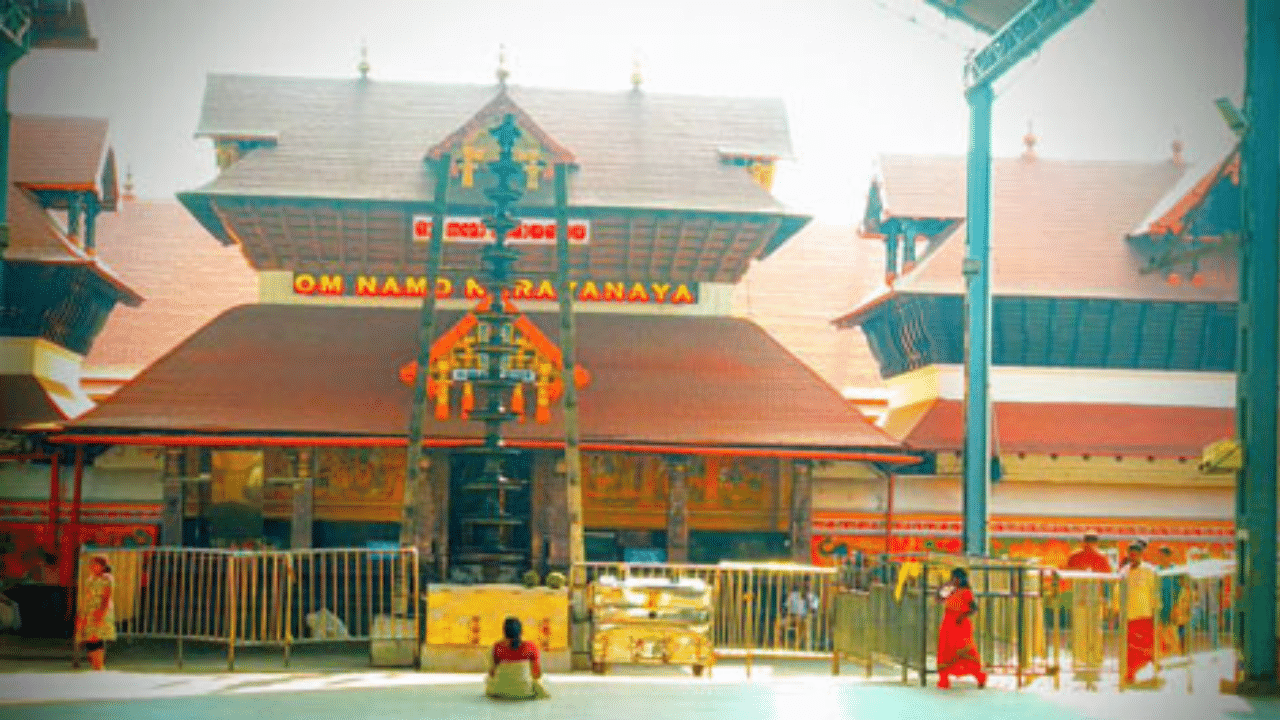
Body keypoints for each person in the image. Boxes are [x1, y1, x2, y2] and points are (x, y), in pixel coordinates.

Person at [1064, 532, 1112, 675]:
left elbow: (1106, 580)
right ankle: (1089, 658)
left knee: (1087, 629)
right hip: (1087, 597)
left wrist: (1104, 599)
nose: (1090, 545)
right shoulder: (1097, 557)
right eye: (1090, 542)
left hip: (1087, 597)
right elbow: (1107, 580)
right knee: (1090, 629)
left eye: (1091, 542)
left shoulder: (1080, 557)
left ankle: (1085, 657)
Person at [936, 567, 987, 689]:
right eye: (952, 578)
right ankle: (944, 679)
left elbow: (974, 609)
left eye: (954, 578)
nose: (953, 580)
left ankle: (979, 676)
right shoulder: (951, 590)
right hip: (948, 625)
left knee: (965, 651)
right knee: (945, 651)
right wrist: (944, 586)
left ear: (960, 579)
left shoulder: (966, 592)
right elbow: (938, 598)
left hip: (960, 625)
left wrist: (962, 616)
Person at [1120, 541, 1158, 685]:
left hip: (1145, 614)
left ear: (1141, 555)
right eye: (1130, 553)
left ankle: (1152, 667)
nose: (1133, 556)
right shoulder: (1124, 571)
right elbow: (1119, 592)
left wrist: (1156, 611)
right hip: (1129, 616)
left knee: (1146, 646)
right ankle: (1130, 674)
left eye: (1136, 554)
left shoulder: (1149, 571)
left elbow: (1154, 591)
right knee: (1131, 648)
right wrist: (1117, 609)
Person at [486, 616, 549, 700]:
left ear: (504, 631)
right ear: (521, 631)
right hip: (525, 691)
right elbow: (537, 674)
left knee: (487, 680)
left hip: (501, 691)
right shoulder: (531, 647)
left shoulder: (497, 647)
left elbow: (492, 673)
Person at [77, 555, 116, 671]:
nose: (92, 566)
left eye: (95, 564)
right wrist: (82, 615)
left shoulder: (107, 578)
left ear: (102, 566)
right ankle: (94, 665)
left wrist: (101, 612)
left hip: (101, 610)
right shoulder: (89, 580)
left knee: (97, 637)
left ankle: (99, 666)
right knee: (89, 637)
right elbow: (86, 598)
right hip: (90, 610)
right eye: (91, 564)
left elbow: (106, 596)